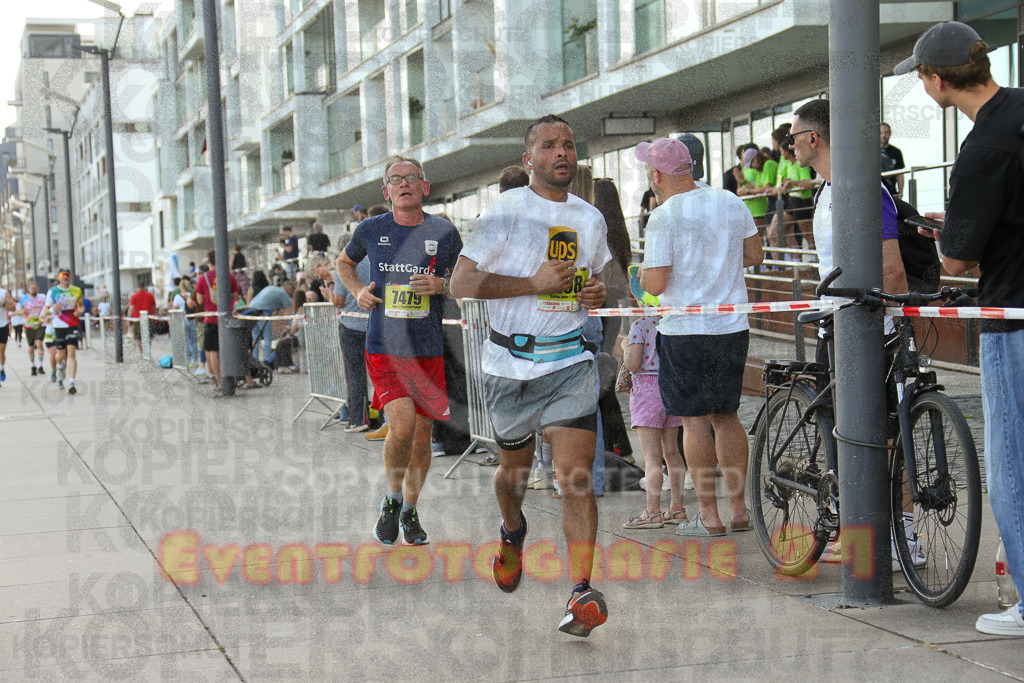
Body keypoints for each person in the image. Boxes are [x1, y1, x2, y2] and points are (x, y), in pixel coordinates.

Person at [451, 114, 611, 637]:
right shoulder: (505, 211)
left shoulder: (590, 218)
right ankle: (513, 530)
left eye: (568, 144)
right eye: (548, 145)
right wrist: (531, 282)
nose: (561, 152)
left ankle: (580, 591)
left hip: (569, 359)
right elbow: (462, 283)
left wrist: (594, 295)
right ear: (530, 159)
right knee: (513, 474)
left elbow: (595, 284)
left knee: (576, 478)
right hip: (509, 366)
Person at [896, 20, 1024, 636]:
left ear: (937, 80)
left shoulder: (981, 149)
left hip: (1015, 320)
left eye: (922, 78)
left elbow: (955, 262)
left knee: (1013, 467)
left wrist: (952, 232)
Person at [637, 137, 763, 537]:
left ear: (656, 174)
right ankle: (739, 508)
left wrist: (641, 274)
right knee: (727, 417)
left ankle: (708, 514)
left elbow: (655, 283)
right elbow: (756, 254)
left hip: (685, 329)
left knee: (693, 423)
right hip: (730, 326)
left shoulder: (664, 215)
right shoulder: (729, 201)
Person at [336, 155, 462, 547]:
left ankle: (410, 509)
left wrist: (441, 286)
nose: (404, 184)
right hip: (384, 345)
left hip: (427, 347)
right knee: (403, 426)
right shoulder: (371, 228)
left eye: (412, 178)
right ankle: (391, 501)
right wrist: (358, 291)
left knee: (423, 437)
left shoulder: (444, 230)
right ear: (386, 191)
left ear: (424, 186)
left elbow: (463, 277)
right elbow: (344, 262)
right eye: (395, 179)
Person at [620, 309, 687, 529]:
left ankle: (652, 512)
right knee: (672, 452)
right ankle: (677, 508)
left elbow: (632, 363)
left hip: (646, 389)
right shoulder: (674, 322)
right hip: (671, 386)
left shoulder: (640, 326)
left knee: (651, 457)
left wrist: (624, 347)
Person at [332, 241, 372, 433]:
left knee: (354, 374)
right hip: (374, 325)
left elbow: (338, 301)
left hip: (351, 325)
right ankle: (382, 416)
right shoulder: (374, 261)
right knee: (380, 373)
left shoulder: (345, 265)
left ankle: (358, 418)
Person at [194, 249, 241, 391]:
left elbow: (199, 300)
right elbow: (235, 296)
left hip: (211, 319)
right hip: (227, 317)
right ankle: (234, 378)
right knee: (230, 348)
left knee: (211, 350)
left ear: (208, 262)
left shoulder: (203, 278)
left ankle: (220, 382)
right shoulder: (229, 276)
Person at [45, 268, 84, 395]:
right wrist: (53, 309)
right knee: (60, 355)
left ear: (71, 277)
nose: (65, 277)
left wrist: (80, 311)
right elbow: (45, 311)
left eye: (67, 275)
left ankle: (71, 382)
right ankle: (60, 366)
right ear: (58, 278)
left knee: (72, 353)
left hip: (72, 324)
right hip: (58, 326)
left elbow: (80, 306)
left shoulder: (76, 290)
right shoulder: (52, 292)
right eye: (62, 275)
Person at [245, 280, 295, 363]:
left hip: (251, 310)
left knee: (256, 336)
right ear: (289, 289)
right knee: (268, 336)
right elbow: (290, 312)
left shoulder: (272, 288)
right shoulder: (283, 294)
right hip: (263, 311)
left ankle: (254, 359)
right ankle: (267, 360)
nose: (292, 295)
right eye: (292, 292)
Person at [17, 282, 47, 376]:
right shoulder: (24, 299)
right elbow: (18, 310)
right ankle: (32, 365)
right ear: (28, 289)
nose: (33, 290)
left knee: (39, 343)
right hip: (29, 325)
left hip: (40, 324)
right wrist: (22, 311)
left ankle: (40, 365)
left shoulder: (42, 297)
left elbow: (47, 307)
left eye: (35, 288)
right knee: (31, 346)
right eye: (31, 288)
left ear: (38, 289)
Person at [173, 275, 200, 368]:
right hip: (192, 319)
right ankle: (196, 360)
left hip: (183, 320)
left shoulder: (177, 296)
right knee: (194, 340)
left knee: (187, 340)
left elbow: (174, 309)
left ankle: (188, 361)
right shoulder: (192, 295)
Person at [127, 282, 157, 353]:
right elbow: (154, 307)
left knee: (138, 337)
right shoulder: (150, 296)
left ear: (137, 286)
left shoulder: (134, 296)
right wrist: (155, 316)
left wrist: (128, 320)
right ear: (144, 286)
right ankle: (147, 351)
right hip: (148, 317)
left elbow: (131, 308)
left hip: (138, 318)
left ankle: (141, 352)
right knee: (148, 335)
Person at [880, 122, 905, 198]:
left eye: (886, 133)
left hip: (892, 193)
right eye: (881, 133)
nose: (884, 135)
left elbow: (900, 174)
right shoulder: (871, 152)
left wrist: (900, 193)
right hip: (876, 193)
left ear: (890, 133)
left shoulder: (896, 152)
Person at [0, 284, 14, 384]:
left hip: (2, 325)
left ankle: (1, 368)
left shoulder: (3, 293)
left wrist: (3, 305)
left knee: (1, 352)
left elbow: (13, 308)